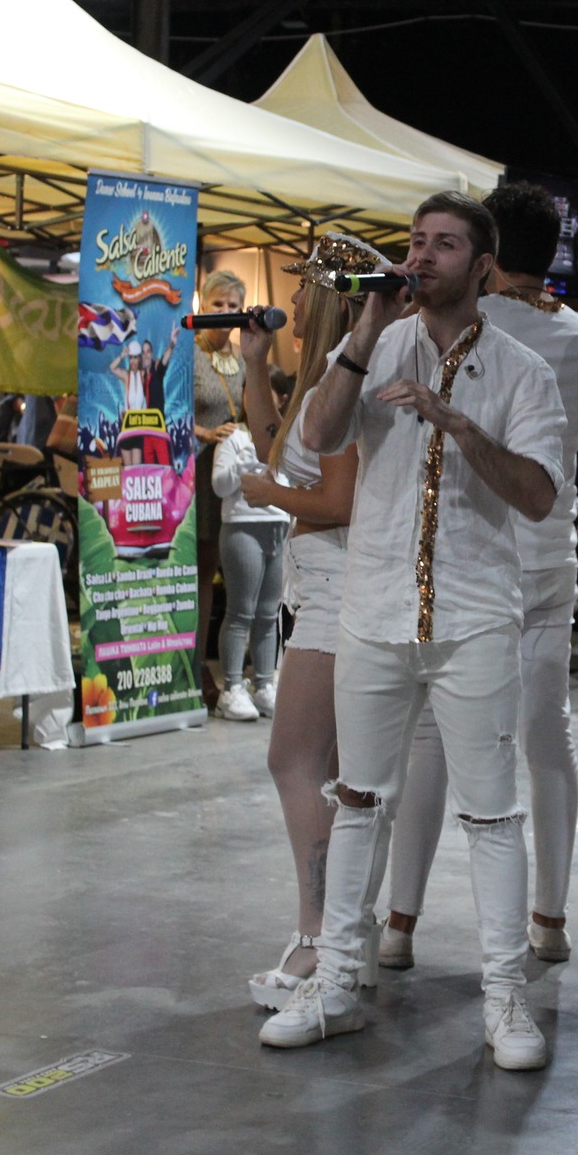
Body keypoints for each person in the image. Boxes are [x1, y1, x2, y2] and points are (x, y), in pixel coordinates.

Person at [258, 192, 564, 1073]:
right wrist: (364, 330)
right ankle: (336, 983)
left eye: (444, 245)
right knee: (357, 798)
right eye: (416, 241)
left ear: (483, 266)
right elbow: (316, 435)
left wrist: (457, 421)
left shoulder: (521, 372)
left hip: (474, 616)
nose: (422, 256)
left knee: (492, 811)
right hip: (374, 609)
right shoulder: (376, 343)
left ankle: (504, 995)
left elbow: (539, 495)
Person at [383, 182, 578, 969]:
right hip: (548, 552)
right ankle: (550, 917)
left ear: (487, 252)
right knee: (549, 738)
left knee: (430, 740)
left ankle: (399, 924)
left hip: (470, 551)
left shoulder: (460, 326)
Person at [233, 236, 370, 1011]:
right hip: (327, 588)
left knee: (294, 759)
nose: (290, 301)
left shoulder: (345, 377)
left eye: (303, 287)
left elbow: (338, 501)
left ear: (327, 297)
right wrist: (254, 367)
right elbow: (276, 450)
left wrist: (271, 496)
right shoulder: (326, 376)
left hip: (337, 591)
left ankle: (318, 935)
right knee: (336, 772)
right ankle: (345, 932)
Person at [191, 268, 251, 703]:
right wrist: (206, 434)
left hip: (230, 475)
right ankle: (194, 668)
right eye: (218, 303)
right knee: (198, 572)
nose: (226, 311)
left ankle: (224, 669)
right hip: (194, 472)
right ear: (203, 304)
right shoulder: (187, 353)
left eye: (233, 305)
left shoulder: (244, 359)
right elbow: (168, 411)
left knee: (228, 573)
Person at [210, 419, 291, 722]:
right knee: (241, 611)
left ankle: (264, 684)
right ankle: (231, 688)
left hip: (278, 525)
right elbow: (220, 485)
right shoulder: (234, 437)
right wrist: (246, 459)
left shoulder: (285, 433)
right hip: (243, 525)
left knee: (269, 614)